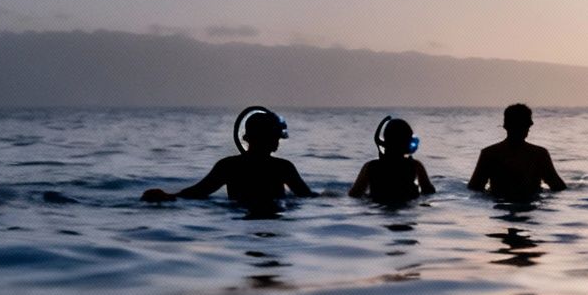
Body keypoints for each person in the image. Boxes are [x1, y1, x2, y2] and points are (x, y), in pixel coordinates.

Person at [142, 108, 313, 206]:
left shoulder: (229, 166)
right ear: (254, 138)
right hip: (267, 214)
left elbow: (198, 192)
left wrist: (170, 196)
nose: (277, 141)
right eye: (273, 136)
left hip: (237, 217)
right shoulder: (282, 167)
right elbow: (307, 197)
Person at [469, 104, 567, 199]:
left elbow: (475, 189)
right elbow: (558, 187)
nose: (530, 125)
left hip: (500, 206)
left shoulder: (489, 153)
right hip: (530, 205)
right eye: (525, 123)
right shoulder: (539, 154)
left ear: (505, 126)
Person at [350, 117, 436, 203]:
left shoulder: (370, 166)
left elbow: (354, 195)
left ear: (385, 141)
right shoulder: (415, 165)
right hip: (408, 208)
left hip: (377, 208)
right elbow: (428, 191)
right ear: (407, 143)